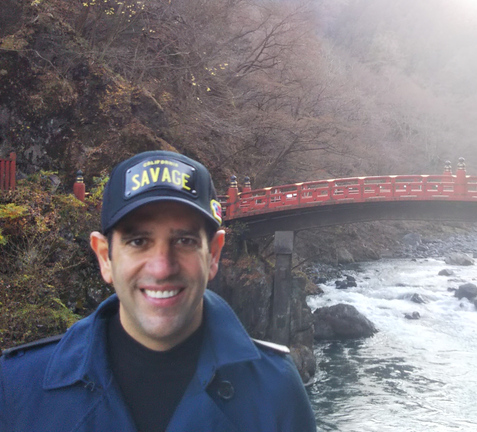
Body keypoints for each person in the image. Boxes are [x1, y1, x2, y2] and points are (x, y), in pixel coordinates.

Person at [0, 150, 316, 431]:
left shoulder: (276, 391)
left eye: (185, 241)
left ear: (214, 255)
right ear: (104, 257)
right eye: (138, 242)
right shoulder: (17, 388)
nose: (162, 267)